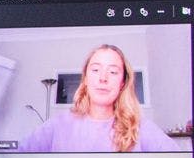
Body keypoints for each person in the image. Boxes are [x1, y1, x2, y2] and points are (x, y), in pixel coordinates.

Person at [20, 44, 180, 152]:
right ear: (85, 79)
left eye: (113, 72)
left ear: (122, 82)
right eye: (96, 70)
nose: (103, 78)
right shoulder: (55, 127)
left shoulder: (141, 129)